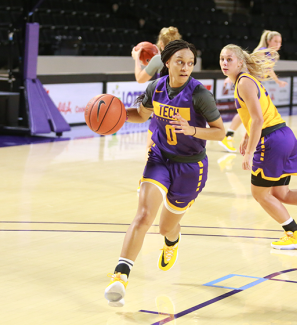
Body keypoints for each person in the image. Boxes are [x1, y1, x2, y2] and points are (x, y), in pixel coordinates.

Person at [105, 40, 225, 307]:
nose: (185, 67)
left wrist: (193, 130)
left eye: (190, 63)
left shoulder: (200, 94)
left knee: (165, 227)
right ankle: (120, 276)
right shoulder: (156, 87)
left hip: (191, 166)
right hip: (159, 158)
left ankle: (172, 240)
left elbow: (220, 131)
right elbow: (142, 114)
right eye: (180, 61)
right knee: (144, 215)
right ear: (167, 62)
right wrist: (117, 115)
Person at [219, 44, 297, 250]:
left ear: (240, 62)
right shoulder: (247, 81)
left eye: (229, 59)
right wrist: (248, 135)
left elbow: (258, 119)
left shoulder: (243, 83)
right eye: (222, 59)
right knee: (281, 193)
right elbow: (257, 117)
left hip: (270, 141)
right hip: (284, 137)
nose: (225, 63)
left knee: (260, 194)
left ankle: (295, 233)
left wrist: (250, 151)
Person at [219, 30, 288, 153]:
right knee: (246, 113)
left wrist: (277, 81)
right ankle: (228, 135)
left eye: (280, 42)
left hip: (254, 84)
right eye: (276, 41)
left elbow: (269, 69)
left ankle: (231, 135)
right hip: (248, 83)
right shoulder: (261, 51)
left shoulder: (272, 55)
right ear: (269, 41)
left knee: (250, 114)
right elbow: (244, 63)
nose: (278, 44)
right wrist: (230, 77)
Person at [132, 27, 183, 156]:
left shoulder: (158, 59)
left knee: (150, 147)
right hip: (180, 108)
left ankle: (151, 176)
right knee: (174, 150)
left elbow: (140, 78)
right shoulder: (184, 60)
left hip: (162, 107)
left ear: (161, 44)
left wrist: (137, 59)